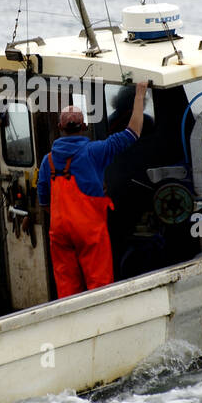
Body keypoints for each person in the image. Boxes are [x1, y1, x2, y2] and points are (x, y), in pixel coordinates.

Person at [36, 82, 148, 297]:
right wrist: (140, 93)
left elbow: (44, 202)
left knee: (67, 287)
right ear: (85, 127)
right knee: (99, 285)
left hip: (59, 232)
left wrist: (65, 216)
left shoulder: (46, 162)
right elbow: (133, 132)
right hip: (89, 230)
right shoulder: (97, 151)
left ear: (59, 127)